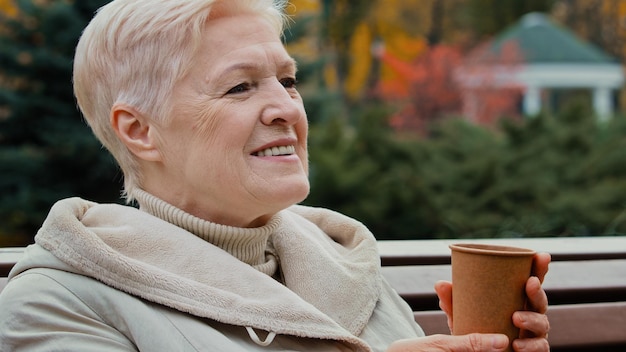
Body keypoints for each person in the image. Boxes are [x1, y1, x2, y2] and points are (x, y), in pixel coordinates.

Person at [0, 0, 550, 351]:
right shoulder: (59, 302)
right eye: (240, 87)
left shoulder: (348, 268)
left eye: (287, 81)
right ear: (140, 130)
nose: (286, 108)